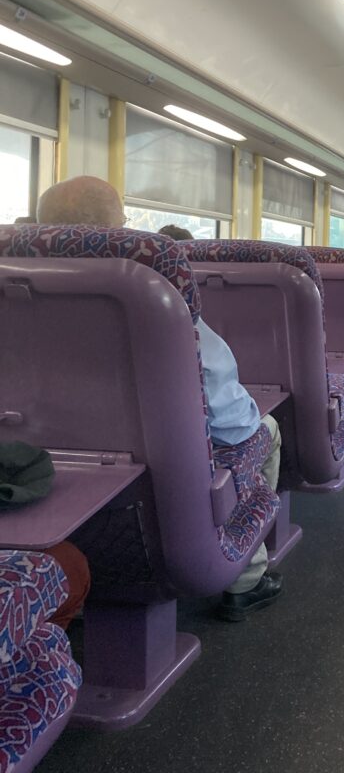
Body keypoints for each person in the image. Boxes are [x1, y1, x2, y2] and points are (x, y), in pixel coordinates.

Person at [37, 176, 282, 620]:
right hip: (159, 481)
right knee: (265, 429)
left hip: (38, 463)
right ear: (117, 228)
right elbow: (223, 411)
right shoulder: (150, 288)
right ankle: (246, 577)